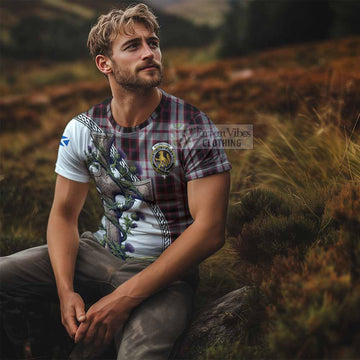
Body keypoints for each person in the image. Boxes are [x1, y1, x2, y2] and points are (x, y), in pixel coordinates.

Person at [0, 3, 231, 359]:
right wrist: (65, 292)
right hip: (97, 252)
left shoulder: (194, 127)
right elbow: (63, 216)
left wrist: (121, 300)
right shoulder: (81, 129)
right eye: (133, 46)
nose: (149, 53)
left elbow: (211, 230)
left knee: (139, 354)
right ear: (104, 64)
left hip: (164, 274)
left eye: (152, 43)